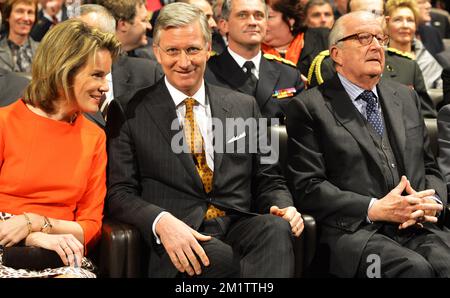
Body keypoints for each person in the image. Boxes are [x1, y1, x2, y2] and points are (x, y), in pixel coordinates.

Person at [106, 2, 303, 278]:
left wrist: (283, 206)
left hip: (236, 226)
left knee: (276, 229)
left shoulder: (244, 106)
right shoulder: (128, 110)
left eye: (193, 50)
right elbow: (119, 193)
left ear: (209, 49)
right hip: (178, 235)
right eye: (173, 51)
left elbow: (270, 178)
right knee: (219, 257)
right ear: (157, 53)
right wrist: (160, 222)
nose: (184, 62)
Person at [287, 11, 450, 278]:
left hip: (417, 227)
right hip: (357, 233)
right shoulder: (309, 107)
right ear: (336, 54)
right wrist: (374, 208)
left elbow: (430, 168)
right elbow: (308, 187)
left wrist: (430, 200)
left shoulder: (405, 97)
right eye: (363, 38)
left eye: (380, 38)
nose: (376, 45)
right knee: (414, 270)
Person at [0, 19, 120, 278]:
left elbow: (90, 227)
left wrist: (36, 224)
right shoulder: (4, 123)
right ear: (64, 71)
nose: (105, 86)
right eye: (97, 75)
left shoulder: (94, 137)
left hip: (62, 256)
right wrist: (32, 237)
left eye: (106, 76)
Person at [307, 0, 437, 118]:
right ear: (347, 18)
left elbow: (425, 120)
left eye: (376, 13)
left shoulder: (407, 66)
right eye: (362, 13)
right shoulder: (330, 63)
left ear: (386, 19)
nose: (369, 18)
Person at [205, 0, 303, 123]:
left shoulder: (289, 75)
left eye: (259, 15)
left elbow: (301, 130)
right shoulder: (205, 73)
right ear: (224, 25)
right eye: (242, 15)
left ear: (266, 24)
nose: (252, 22)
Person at [77, 4, 163, 128]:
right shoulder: (64, 83)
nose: (73, 45)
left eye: (82, 36)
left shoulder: (150, 74)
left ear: (109, 37)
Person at [385, 0, 442, 90]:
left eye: (410, 20)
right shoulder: (380, 58)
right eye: (398, 20)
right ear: (387, 24)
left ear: (416, 25)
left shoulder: (427, 59)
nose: (405, 25)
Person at [262, 0, 329, 76]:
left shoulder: (324, 38)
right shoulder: (251, 50)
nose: (261, 22)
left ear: (290, 19)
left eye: (269, 17)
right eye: (259, 16)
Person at [0, 0, 38, 73]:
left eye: (30, 12)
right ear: (7, 16)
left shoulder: (43, 50)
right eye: (20, 11)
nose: (26, 18)